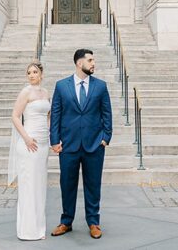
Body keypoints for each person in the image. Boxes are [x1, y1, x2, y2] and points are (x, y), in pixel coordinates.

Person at [50, 48, 113, 240]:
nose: (94, 63)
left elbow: (106, 114)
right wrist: (54, 141)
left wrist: (105, 137)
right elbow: (56, 114)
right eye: (90, 60)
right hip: (68, 145)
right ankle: (66, 221)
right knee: (67, 184)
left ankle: (93, 222)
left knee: (93, 185)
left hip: (94, 145)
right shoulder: (61, 86)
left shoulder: (100, 86)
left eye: (94, 60)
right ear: (79, 63)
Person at [8, 60, 50, 241]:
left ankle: (39, 228)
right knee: (28, 186)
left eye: (34, 72)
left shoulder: (46, 92)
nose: (31, 75)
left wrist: (48, 134)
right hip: (28, 144)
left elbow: (48, 115)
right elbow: (15, 116)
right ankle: (27, 230)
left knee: (39, 186)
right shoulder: (25, 92)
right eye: (29, 73)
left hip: (42, 144)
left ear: (41, 74)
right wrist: (25, 137)